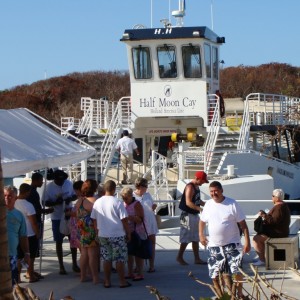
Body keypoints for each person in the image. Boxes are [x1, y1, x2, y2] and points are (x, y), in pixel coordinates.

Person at [199, 181, 251, 299]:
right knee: (214, 275)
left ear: (222, 190)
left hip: (233, 245)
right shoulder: (208, 204)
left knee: (236, 272)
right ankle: (221, 295)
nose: (213, 193)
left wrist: (247, 242)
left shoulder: (232, 203)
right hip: (214, 246)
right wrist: (201, 235)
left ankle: (239, 294)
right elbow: (202, 221)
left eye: (216, 191)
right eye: (211, 191)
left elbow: (243, 225)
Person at [91, 180, 131, 288]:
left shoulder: (97, 202)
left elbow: (94, 220)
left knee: (106, 258)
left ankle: (107, 281)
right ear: (114, 189)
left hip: (103, 234)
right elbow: (124, 220)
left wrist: (97, 232)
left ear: (104, 189)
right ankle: (122, 281)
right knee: (119, 258)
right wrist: (128, 232)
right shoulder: (117, 202)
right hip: (117, 234)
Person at [44, 169, 80, 275]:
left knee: (72, 240)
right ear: (54, 179)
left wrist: (69, 198)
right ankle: (61, 266)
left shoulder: (68, 183)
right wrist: (55, 202)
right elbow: (45, 202)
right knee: (58, 241)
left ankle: (74, 264)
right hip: (56, 217)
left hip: (69, 215)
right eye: (59, 181)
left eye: (63, 180)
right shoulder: (49, 187)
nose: (61, 183)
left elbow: (75, 195)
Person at [252, 188, 291, 266]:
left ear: (277, 198)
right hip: (281, 231)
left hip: (278, 234)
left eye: (273, 196)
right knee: (259, 235)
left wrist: (264, 215)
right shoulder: (283, 205)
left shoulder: (279, 208)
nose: (272, 197)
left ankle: (262, 259)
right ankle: (263, 256)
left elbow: (273, 221)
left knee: (256, 238)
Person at [176, 171, 208, 265]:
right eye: (202, 181)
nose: (203, 183)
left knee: (195, 237)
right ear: (198, 179)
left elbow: (197, 200)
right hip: (187, 215)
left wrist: (206, 205)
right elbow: (188, 202)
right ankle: (179, 257)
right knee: (185, 237)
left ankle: (197, 258)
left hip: (194, 214)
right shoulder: (190, 186)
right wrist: (200, 209)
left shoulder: (196, 187)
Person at [14, 183, 40, 283]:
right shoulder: (28, 205)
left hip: (17, 234)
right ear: (28, 192)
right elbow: (33, 222)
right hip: (29, 234)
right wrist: (37, 233)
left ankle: (18, 278)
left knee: (19, 257)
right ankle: (31, 275)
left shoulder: (14, 203)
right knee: (31, 256)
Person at [4, 185, 30, 286]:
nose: (6, 198)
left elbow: (23, 236)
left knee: (12, 285)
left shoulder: (19, 215)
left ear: (16, 197)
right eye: (4, 195)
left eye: (10, 196)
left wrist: (27, 253)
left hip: (12, 256)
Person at [75, 179, 99, 284]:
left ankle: (83, 276)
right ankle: (95, 278)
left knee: (84, 254)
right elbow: (96, 219)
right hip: (91, 230)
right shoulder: (94, 201)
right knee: (93, 254)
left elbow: (76, 215)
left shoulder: (80, 201)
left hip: (82, 230)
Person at [133, 177, 158, 273]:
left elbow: (151, 206)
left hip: (150, 222)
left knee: (151, 244)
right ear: (139, 186)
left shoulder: (147, 195)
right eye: (145, 186)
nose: (147, 188)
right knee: (139, 245)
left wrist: (154, 207)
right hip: (140, 223)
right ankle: (138, 266)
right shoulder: (133, 196)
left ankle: (152, 266)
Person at [121, 187, 145, 281]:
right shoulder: (123, 204)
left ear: (131, 196)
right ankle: (130, 272)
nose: (124, 200)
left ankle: (140, 273)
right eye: (123, 198)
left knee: (138, 254)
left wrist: (130, 217)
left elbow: (141, 219)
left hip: (137, 232)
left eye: (126, 198)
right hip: (128, 232)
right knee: (129, 253)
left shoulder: (137, 204)